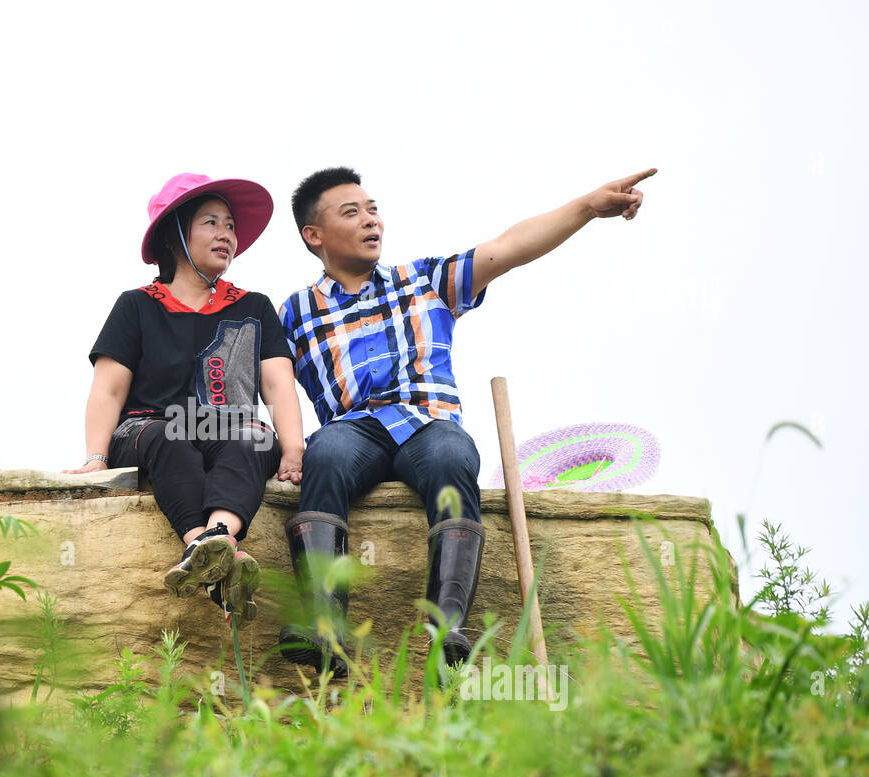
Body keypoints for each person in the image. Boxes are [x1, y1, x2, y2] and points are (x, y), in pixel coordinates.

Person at [277, 165, 656, 674]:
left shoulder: (424, 280)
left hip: (428, 421)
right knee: (327, 452)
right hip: (354, 429)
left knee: (453, 455)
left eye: (373, 209)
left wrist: (587, 207)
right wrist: (289, 446)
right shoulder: (294, 312)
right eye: (353, 213)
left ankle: (446, 628)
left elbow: (508, 247)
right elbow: (269, 379)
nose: (372, 221)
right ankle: (324, 629)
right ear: (314, 235)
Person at [65, 172, 305, 622]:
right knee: (171, 436)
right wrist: (96, 456)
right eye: (210, 223)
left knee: (254, 438)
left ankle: (218, 539)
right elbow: (109, 387)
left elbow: (276, 383)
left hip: (225, 427)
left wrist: (292, 447)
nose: (226, 235)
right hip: (147, 428)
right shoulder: (136, 305)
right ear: (176, 236)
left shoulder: (253, 307)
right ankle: (202, 543)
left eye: (230, 225)